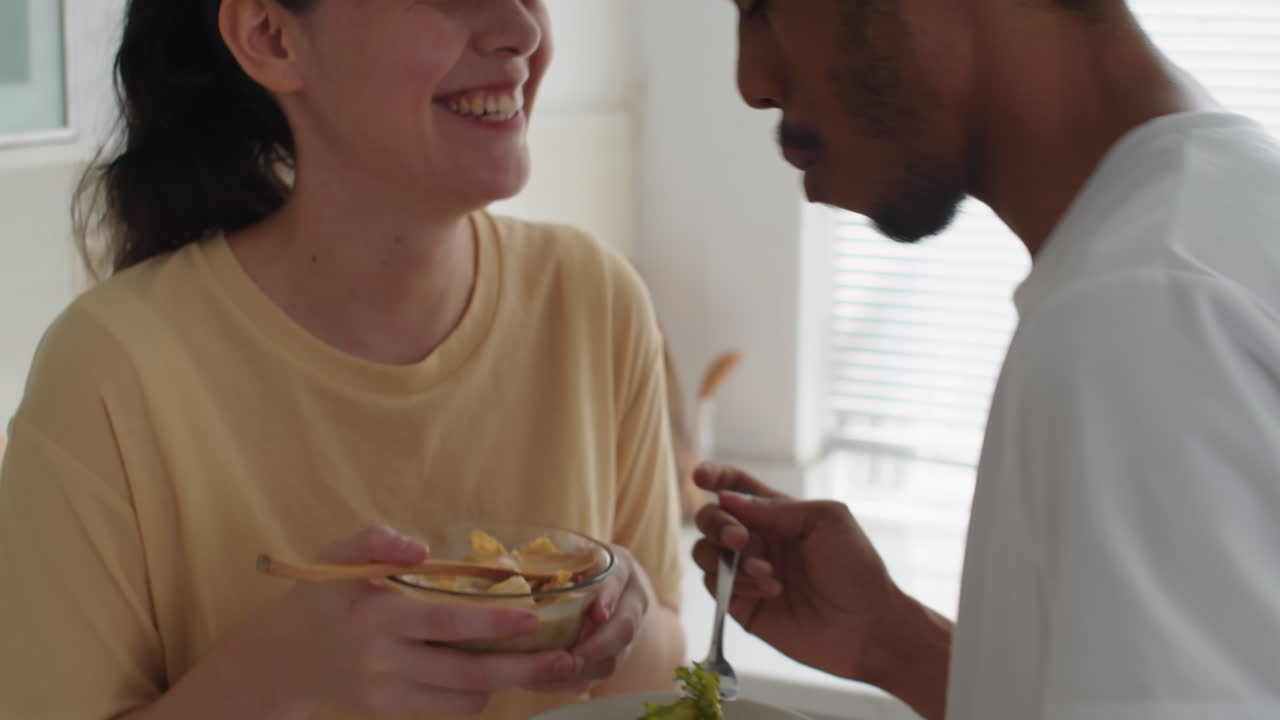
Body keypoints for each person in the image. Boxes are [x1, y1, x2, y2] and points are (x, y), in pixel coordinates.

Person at [0, 1, 688, 719]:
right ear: (270, 36)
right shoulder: (108, 371)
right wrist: (270, 683)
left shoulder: (594, 301)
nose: (523, 30)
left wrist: (621, 616)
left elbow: (662, 676)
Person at [693, 1, 1280, 718]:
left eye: (763, 6)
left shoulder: (1135, 311)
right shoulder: (1221, 216)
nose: (753, 80)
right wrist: (890, 640)